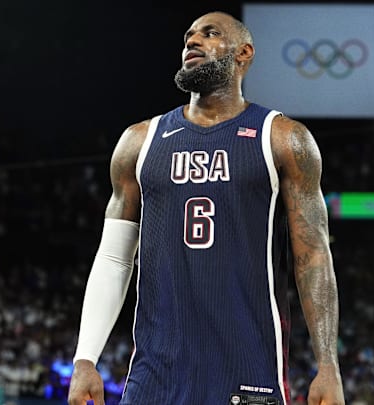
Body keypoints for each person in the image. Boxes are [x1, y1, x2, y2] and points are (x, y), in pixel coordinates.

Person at [68, 11, 345, 405]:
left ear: (243, 53)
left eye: (210, 34)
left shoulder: (283, 138)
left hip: (249, 370)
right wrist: (85, 358)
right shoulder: (139, 142)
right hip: (155, 376)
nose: (192, 42)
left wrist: (328, 365)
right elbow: (114, 257)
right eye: (188, 36)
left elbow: (314, 256)